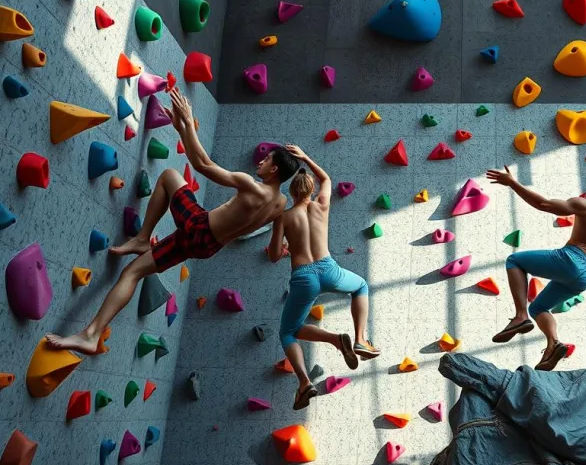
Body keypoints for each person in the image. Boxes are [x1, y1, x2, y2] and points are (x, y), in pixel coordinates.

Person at [46, 88, 299, 354]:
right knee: (132, 272)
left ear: (274, 170)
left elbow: (202, 164)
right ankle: (91, 335)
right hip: (207, 246)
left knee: (168, 176)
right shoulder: (279, 205)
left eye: (267, 159)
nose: (261, 160)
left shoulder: (252, 186)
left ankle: (143, 239)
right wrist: (181, 129)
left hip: (199, 227)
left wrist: (188, 123)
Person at [487, 138, 586, 371]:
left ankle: (519, 316)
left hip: (571, 259)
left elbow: (543, 204)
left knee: (515, 260)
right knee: (538, 308)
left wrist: (512, 183)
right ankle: (553, 344)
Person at [267, 145, 379, 410]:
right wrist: (305, 157)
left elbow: (273, 256)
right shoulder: (321, 205)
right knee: (361, 286)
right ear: (311, 190)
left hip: (304, 277)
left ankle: (304, 383)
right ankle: (359, 339)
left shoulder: (283, 217)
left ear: (293, 192)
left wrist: (284, 250)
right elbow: (327, 178)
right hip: (329, 270)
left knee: (287, 332)